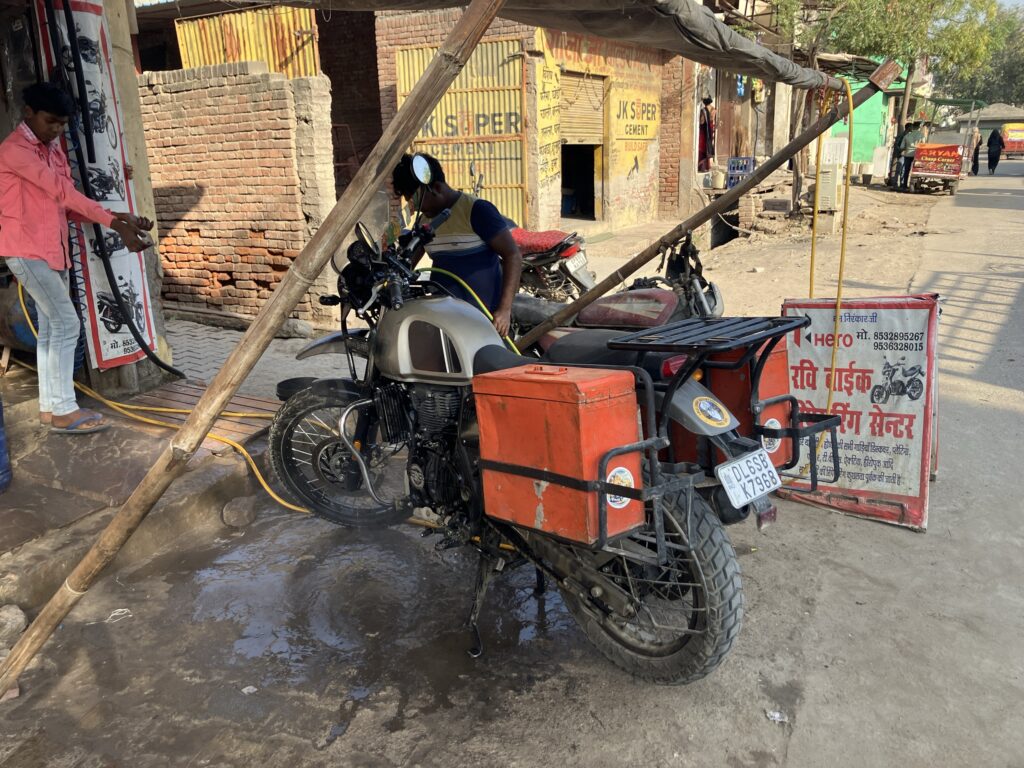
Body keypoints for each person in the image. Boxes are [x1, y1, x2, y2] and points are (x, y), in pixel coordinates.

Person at [0, 83, 151, 434]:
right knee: (67, 325)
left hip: (53, 250)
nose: (56, 130)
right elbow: (61, 191)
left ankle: (51, 409)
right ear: (28, 114)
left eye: (62, 124)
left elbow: (66, 204)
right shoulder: (14, 151)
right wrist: (114, 222)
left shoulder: (51, 150)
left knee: (54, 328)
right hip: (26, 251)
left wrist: (121, 218)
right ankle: (65, 409)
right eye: (50, 121)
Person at [391, 153, 522, 337]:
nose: (415, 208)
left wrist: (504, 310)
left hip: (484, 317)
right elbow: (407, 262)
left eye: (417, 200)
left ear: (436, 187)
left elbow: (513, 256)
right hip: (446, 320)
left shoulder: (477, 210)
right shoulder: (424, 222)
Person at [899, 122, 924, 190]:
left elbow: (902, 146)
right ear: (919, 127)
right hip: (918, 155)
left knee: (906, 170)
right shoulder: (921, 135)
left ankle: (904, 185)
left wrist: (907, 148)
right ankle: (916, 185)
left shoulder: (907, 136)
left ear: (912, 127)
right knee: (917, 170)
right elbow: (923, 145)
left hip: (908, 155)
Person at [698, 97, 716, 172]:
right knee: (708, 147)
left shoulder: (703, 111)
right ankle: (708, 166)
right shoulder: (713, 109)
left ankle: (702, 167)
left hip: (704, 131)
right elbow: (713, 120)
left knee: (702, 148)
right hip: (710, 129)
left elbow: (702, 122)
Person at [891, 122, 912, 186]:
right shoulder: (902, 135)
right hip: (902, 154)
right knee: (900, 169)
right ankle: (897, 183)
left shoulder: (909, 136)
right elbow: (896, 145)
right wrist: (901, 150)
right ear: (908, 128)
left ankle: (902, 184)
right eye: (911, 127)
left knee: (903, 170)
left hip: (907, 154)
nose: (912, 128)